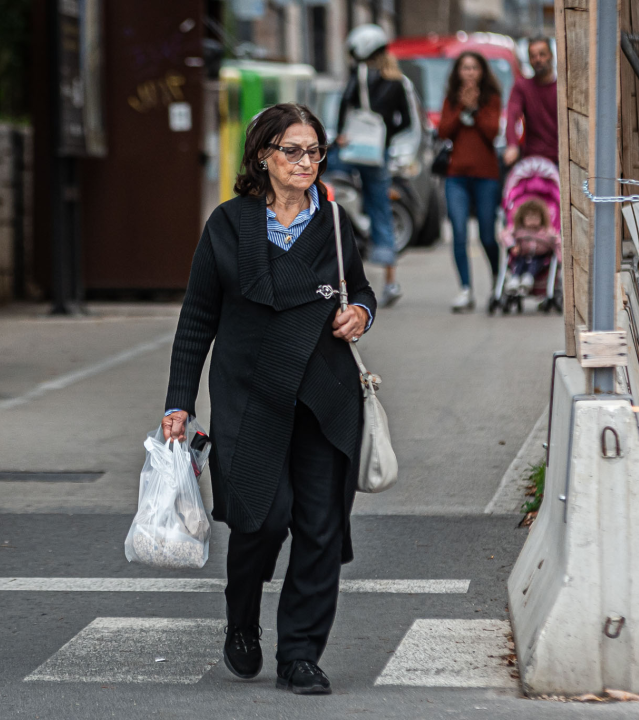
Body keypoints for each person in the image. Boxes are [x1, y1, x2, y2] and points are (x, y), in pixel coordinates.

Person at [162, 104, 376, 696]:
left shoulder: (333, 225)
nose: (306, 162)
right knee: (263, 518)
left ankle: (301, 654)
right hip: (250, 395)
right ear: (264, 156)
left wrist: (361, 311)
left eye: (314, 151)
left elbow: (359, 288)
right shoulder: (228, 225)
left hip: (324, 400)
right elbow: (198, 317)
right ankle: (242, 619)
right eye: (293, 151)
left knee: (320, 527)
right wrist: (178, 402)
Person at [335, 23, 411, 308]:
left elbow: (344, 111)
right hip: (378, 157)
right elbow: (405, 121)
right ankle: (390, 281)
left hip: (352, 154)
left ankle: (343, 273)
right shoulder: (396, 81)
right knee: (381, 211)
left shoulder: (359, 78)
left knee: (334, 201)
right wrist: (384, 137)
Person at [438, 51, 503, 313]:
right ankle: (465, 289)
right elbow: (443, 131)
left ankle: (500, 282)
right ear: (458, 72)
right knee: (460, 234)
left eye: (474, 68)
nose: (470, 73)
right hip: (457, 177)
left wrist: (475, 108)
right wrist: (461, 108)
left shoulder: (492, 99)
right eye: (465, 68)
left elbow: (492, 132)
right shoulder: (451, 99)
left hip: (486, 177)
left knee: (487, 235)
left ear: (482, 72)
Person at [503, 38, 558, 167]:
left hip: (559, 158)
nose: (538, 59)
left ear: (551, 56)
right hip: (532, 159)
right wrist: (512, 144)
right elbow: (512, 115)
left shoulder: (561, 88)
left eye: (542, 54)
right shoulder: (523, 86)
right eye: (533, 56)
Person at [501, 199, 559, 295]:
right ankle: (515, 279)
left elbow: (556, 240)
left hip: (539, 258)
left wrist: (557, 251)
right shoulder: (518, 231)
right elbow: (505, 235)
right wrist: (512, 245)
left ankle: (528, 278)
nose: (532, 221)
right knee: (519, 263)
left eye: (535, 218)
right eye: (529, 218)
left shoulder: (545, 232)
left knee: (534, 263)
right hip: (522, 255)